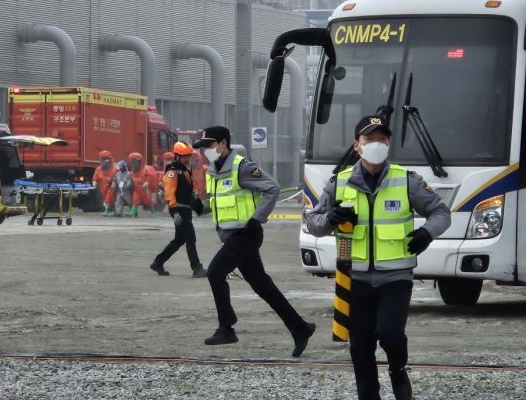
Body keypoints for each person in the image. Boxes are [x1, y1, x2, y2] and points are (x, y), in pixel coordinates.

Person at [305, 115, 451, 400]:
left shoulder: (406, 180)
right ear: (357, 146)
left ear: (388, 144)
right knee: (360, 347)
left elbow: (441, 213)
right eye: (369, 139)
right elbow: (313, 222)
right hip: (354, 279)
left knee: (390, 334)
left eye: (382, 139)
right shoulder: (339, 183)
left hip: (395, 277)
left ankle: (398, 370)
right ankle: (368, 395)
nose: (376, 144)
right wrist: (331, 219)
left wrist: (426, 234)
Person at [193, 125, 316, 356]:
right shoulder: (213, 172)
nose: (204, 151)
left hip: (245, 235)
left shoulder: (242, 167)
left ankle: (226, 327)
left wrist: (257, 218)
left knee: (215, 272)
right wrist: (199, 207)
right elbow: (219, 202)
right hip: (231, 237)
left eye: (208, 146)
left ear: (222, 144)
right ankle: (300, 328)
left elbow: (272, 188)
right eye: (202, 147)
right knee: (262, 286)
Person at [150, 142, 207, 278]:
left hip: (185, 208)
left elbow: (187, 188)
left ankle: (158, 262)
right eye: (184, 156)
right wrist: (174, 211)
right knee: (190, 238)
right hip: (179, 209)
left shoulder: (184, 170)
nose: (188, 159)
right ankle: (196, 268)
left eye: (188, 156)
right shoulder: (172, 171)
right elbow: (169, 191)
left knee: (179, 239)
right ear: (177, 156)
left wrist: (194, 197)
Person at [92, 150, 117, 216]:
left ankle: (107, 211)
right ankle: (114, 211)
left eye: (105, 159)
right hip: (103, 188)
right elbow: (95, 177)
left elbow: (118, 177)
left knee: (109, 198)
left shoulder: (115, 169)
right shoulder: (98, 169)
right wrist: (94, 182)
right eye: (102, 159)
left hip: (112, 187)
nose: (104, 161)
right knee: (106, 198)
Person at [128, 152, 152, 217]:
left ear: (139, 162)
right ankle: (132, 213)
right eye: (132, 162)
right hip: (137, 189)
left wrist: (147, 182)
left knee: (148, 201)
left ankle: (153, 212)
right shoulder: (132, 173)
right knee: (135, 200)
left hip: (145, 189)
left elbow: (149, 176)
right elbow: (130, 180)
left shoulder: (145, 170)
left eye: (135, 162)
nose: (133, 165)